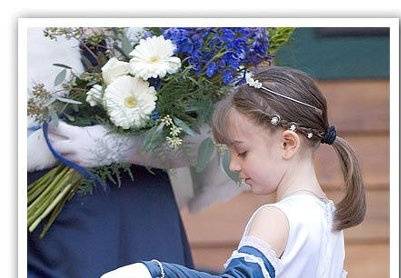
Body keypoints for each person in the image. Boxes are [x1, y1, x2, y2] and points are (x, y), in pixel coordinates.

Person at [102, 66, 367, 278]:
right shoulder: (327, 216)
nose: (233, 165)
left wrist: (154, 272)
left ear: (287, 143)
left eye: (242, 151)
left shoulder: (276, 217)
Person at [27, 28, 243, 278]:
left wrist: (114, 144)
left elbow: (203, 134)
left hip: (142, 195)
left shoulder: (150, 28)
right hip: (59, 217)